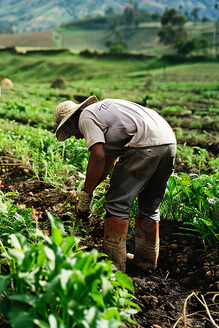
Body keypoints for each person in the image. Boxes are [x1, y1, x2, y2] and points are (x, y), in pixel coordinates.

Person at [53, 96, 176, 272]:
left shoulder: (86, 116)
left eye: (68, 130)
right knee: (149, 205)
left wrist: (85, 195)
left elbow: (97, 156)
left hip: (145, 143)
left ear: (71, 120)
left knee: (116, 204)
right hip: (168, 140)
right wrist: (90, 189)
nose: (74, 136)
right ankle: (146, 262)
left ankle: (114, 266)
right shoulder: (103, 113)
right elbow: (108, 160)